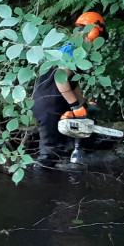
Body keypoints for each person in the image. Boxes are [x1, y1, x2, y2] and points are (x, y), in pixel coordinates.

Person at [32, 11, 106, 167]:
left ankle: (60, 180)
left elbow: (73, 83)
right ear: (93, 32)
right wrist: (75, 106)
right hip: (49, 104)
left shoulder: (74, 49)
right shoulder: (72, 51)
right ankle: (39, 183)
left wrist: (84, 104)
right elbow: (62, 79)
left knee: (62, 147)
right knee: (49, 152)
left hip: (55, 101)